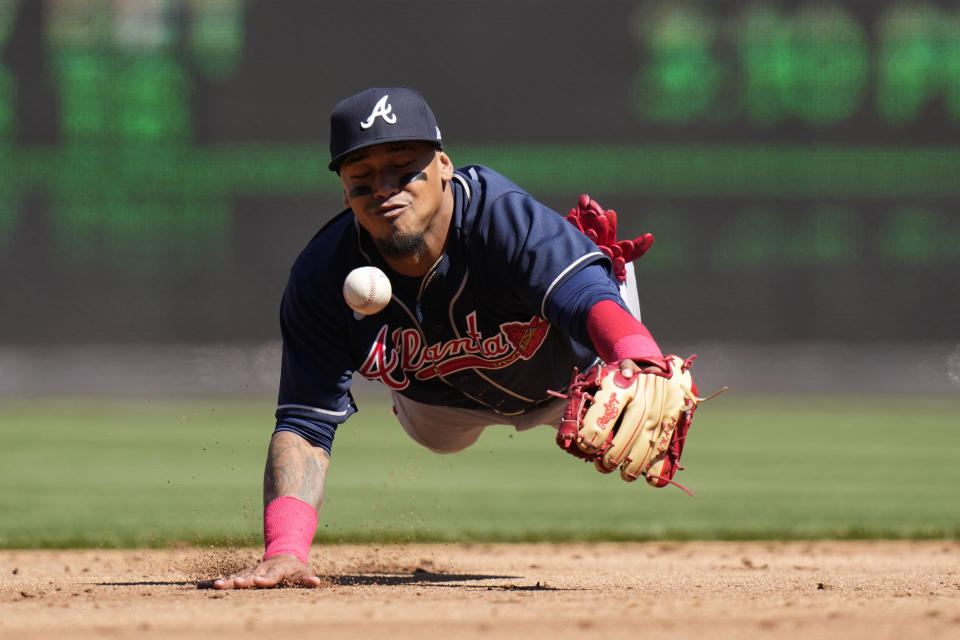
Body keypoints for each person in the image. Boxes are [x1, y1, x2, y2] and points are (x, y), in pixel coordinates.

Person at [212, 87, 664, 589]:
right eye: (361, 178)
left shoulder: (503, 219)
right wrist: (285, 550)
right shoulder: (322, 277)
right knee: (437, 441)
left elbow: (584, 301)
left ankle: (587, 261)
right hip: (437, 406)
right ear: (344, 192)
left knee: (603, 313)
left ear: (445, 165)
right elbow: (304, 424)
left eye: (405, 168)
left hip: (575, 371)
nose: (384, 188)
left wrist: (635, 354)